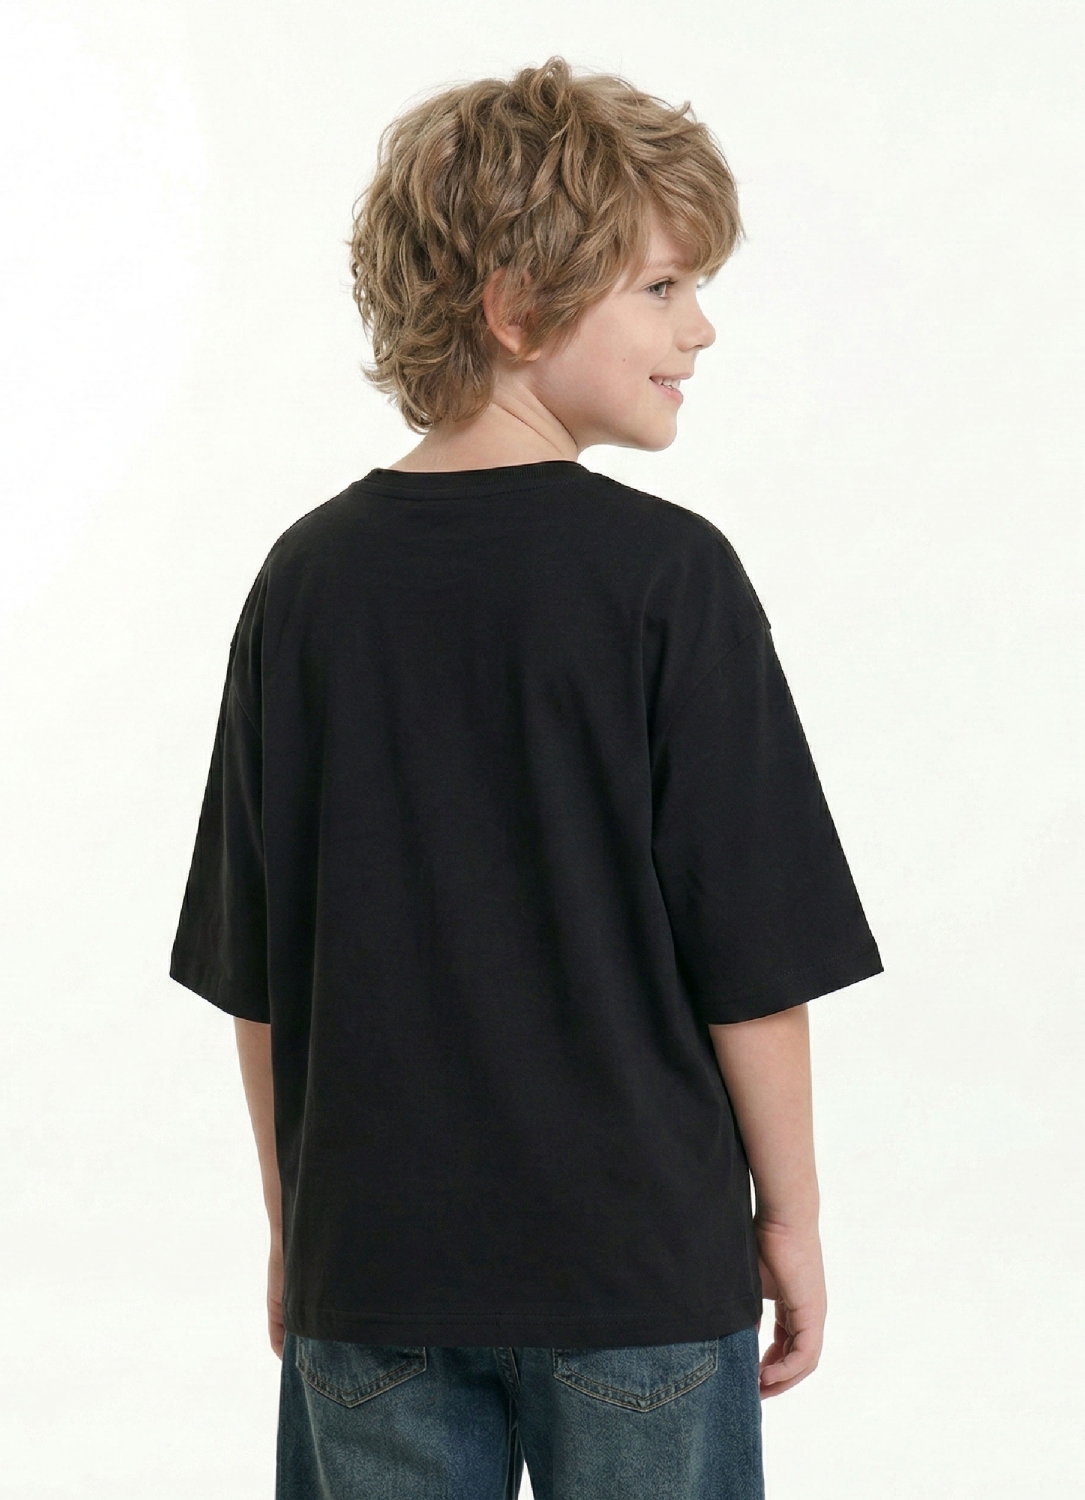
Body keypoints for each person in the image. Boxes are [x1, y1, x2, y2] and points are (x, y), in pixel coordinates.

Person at [169, 55, 883, 1500]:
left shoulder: (305, 583)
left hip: (375, 1273)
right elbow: (753, 963)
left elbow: (260, 970)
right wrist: (790, 1220)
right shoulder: (667, 578)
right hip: (637, 1273)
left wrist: (296, 1226)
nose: (701, 327)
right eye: (663, 287)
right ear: (516, 305)